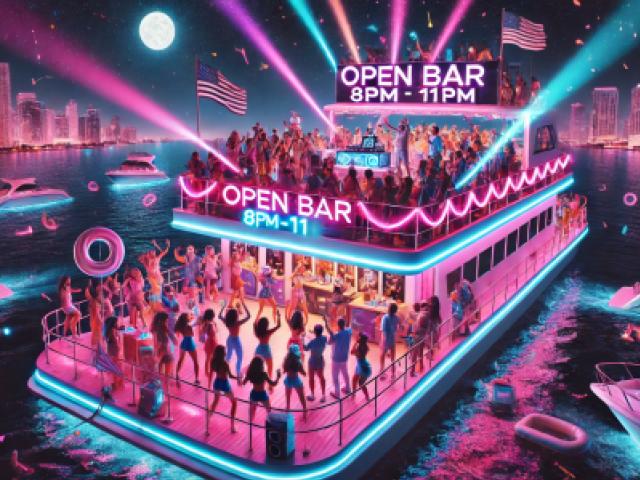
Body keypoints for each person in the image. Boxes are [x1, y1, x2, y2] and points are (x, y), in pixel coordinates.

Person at [208, 345, 238, 433]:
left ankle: (208, 419)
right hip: (225, 385)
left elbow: (211, 373)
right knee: (234, 403)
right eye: (225, 351)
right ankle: (232, 426)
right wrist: (238, 378)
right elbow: (231, 376)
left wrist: (209, 384)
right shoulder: (225, 363)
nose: (226, 352)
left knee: (215, 401)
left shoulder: (213, 361)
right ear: (222, 353)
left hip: (217, 383)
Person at [219, 299, 251, 380]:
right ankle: (238, 375)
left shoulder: (227, 321)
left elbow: (219, 316)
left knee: (228, 355)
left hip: (229, 339)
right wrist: (243, 304)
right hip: (236, 340)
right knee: (239, 358)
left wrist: (223, 307)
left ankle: (223, 370)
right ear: (235, 316)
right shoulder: (237, 323)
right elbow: (248, 316)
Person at [243, 356, 281, 424]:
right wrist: (278, 377)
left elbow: (243, 383)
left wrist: (241, 377)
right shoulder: (264, 374)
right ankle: (271, 424)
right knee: (269, 410)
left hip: (254, 394)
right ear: (261, 365)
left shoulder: (250, 373)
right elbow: (273, 384)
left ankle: (250, 426)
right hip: (262, 394)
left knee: (252, 411)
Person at [323, 316, 352, 399]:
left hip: (336, 359)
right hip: (344, 357)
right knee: (345, 373)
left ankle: (337, 392)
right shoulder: (348, 332)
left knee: (335, 375)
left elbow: (329, 341)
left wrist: (326, 323)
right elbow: (347, 328)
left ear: (338, 325)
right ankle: (348, 388)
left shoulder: (336, 335)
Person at [139, 239, 170, 314]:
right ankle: (155, 308)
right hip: (153, 281)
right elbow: (139, 258)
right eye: (151, 251)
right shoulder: (146, 262)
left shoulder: (157, 258)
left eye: (154, 251)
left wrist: (157, 245)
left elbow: (164, 252)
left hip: (159, 279)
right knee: (156, 294)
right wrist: (144, 255)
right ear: (149, 253)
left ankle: (157, 308)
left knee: (158, 294)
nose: (154, 252)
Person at [253, 311, 281, 384]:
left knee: (257, 367)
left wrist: (258, 316)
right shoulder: (268, 332)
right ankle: (270, 385)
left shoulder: (257, 332)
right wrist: (278, 316)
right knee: (270, 368)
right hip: (266, 350)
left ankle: (257, 381)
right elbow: (278, 325)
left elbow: (254, 323)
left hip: (258, 351)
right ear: (266, 325)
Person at [152, 311, 177, 391]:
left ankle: (162, 391)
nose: (167, 322)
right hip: (165, 353)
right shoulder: (163, 330)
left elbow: (156, 344)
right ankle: (166, 390)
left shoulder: (156, 329)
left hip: (161, 352)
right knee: (166, 377)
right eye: (166, 321)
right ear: (162, 321)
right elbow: (172, 342)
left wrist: (156, 354)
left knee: (159, 376)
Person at [282, 344, 308, 420]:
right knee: (301, 396)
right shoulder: (298, 362)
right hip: (296, 380)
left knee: (288, 396)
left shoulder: (286, 361)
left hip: (288, 379)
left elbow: (284, 370)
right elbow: (303, 372)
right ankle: (304, 410)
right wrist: (304, 373)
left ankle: (287, 409)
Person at [175, 312, 201, 385]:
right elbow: (192, 334)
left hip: (184, 343)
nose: (189, 317)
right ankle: (196, 379)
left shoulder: (181, 326)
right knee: (195, 361)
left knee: (180, 360)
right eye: (188, 316)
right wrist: (194, 324)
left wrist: (192, 321)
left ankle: (177, 374)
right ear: (186, 319)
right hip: (190, 343)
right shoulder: (189, 326)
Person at [304, 323, 327, 402]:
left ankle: (312, 395)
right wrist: (312, 334)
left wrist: (303, 338)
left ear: (315, 332)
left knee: (311, 378)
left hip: (312, 361)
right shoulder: (324, 338)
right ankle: (323, 395)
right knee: (321, 377)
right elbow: (321, 337)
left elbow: (306, 348)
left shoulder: (312, 342)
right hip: (320, 360)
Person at [380, 303, 399, 379]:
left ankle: (382, 370)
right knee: (393, 357)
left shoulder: (385, 318)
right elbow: (396, 328)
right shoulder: (396, 318)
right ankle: (393, 373)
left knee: (382, 355)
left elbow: (384, 331)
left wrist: (384, 341)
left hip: (386, 339)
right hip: (392, 338)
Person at [286, 259, 309, 323]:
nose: (303, 269)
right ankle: (288, 318)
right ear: (299, 268)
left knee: (304, 306)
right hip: (295, 291)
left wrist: (302, 263)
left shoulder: (304, 275)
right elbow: (290, 278)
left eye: (304, 268)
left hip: (301, 291)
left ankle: (307, 320)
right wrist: (297, 270)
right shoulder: (295, 275)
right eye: (302, 268)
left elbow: (307, 275)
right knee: (293, 306)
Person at [104, 316, 123, 391]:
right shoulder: (112, 331)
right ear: (113, 323)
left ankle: (116, 383)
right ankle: (116, 384)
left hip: (111, 349)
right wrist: (119, 346)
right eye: (116, 322)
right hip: (114, 350)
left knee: (115, 366)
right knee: (116, 366)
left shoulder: (109, 330)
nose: (117, 323)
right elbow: (115, 341)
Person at [85, 280, 105, 347]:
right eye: (99, 286)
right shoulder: (94, 301)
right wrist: (100, 321)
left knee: (97, 335)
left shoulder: (95, 298)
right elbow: (96, 312)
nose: (101, 286)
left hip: (95, 320)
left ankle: (96, 348)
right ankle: (95, 349)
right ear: (96, 287)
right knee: (96, 336)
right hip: (96, 320)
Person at [351, 333, 371, 401]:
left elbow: (352, 352)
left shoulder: (359, 348)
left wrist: (355, 343)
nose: (357, 338)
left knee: (360, 383)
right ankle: (364, 396)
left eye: (358, 337)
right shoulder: (365, 346)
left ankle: (366, 396)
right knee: (355, 380)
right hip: (362, 364)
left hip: (361, 366)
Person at [199, 309, 218, 379]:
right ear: (212, 316)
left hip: (213, 341)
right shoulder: (208, 324)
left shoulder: (212, 323)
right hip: (211, 342)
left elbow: (216, 331)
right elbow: (203, 332)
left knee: (211, 357)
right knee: (208, 358)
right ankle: (207, 372)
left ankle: (209, 371)